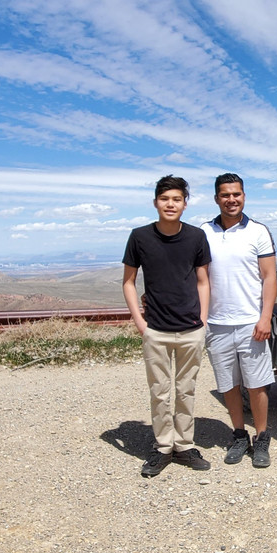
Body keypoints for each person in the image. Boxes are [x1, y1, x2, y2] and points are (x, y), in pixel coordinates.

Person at [122, 175, 212, 478]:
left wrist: (203, 319)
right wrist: (140, 322)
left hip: (191, 329)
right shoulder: (140, 237)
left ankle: (184, 445)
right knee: (160, 392)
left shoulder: (196, 237)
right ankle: (163, 447)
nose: (170, 204)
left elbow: (203, 280)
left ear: (185, 204)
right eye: (164, 199)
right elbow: (129, 282)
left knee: (186, 390)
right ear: (155, 203)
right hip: (156, 330)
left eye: (176, 199)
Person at [200, 173, 277, 468]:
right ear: (217, 198)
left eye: (236, 194)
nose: (231, 199)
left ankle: (262, 438)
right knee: (228, 384)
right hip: (216, 323)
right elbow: (197, 277)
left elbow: (269, 277)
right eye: (225, 195)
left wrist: (265, 317)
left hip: (251, 322)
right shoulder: (203, 232)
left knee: (257, 384)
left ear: (244, 196)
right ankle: (238, 435)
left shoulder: (258, 232)